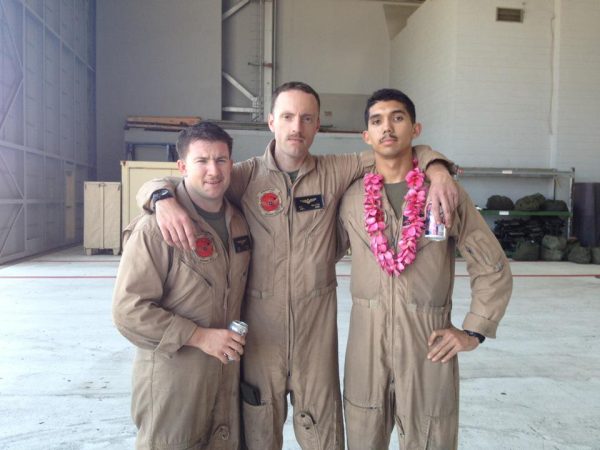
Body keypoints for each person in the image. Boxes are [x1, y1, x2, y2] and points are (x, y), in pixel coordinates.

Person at [136, 82, 458, 450]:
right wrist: (160, 198)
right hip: (260, 338)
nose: (296, 128)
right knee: (258, 432)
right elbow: (181, 181)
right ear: (271, 122)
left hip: (315, 338)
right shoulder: (243, 175)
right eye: (288, 117)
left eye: (307, 118)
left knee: (324, 437)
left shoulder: (336, 171)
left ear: (318, 125)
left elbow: (396, 150)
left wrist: (438, 168)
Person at [337, 89, 513, 449]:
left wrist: (474, 331)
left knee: (431, 438)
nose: (388, 128)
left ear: (416, 129)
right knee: (362, 436)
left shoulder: (445, 192)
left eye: (397, 118)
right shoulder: (351, 196)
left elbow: (491, 265)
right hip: (365, 344)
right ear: (366, 137)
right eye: (377, 120)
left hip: (428, 344)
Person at [112, 122, 251, 450]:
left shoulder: (239, 221)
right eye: (202, 161)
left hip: (226, 377)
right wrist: (199, 336)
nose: (213, 171)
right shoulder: (154, 229)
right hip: (173, 380)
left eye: (221, 160)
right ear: (182, 166)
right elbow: (128, 311)